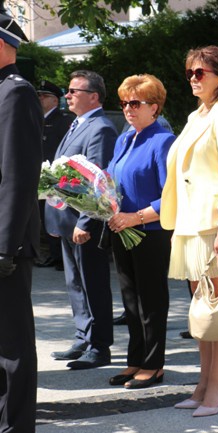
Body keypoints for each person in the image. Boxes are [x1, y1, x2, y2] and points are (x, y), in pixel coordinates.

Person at [160, 46, 218, 417]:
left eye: (201, 72)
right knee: (201, 310)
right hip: (189, 223)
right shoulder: (197, 115)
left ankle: (217, 385)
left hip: (212, 223)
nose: (194, 78)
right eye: (191, 72)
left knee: (217, 310)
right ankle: (206, 381)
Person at [105, 74, 175, 389]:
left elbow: (171, 193)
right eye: (124, 103)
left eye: (136, 103)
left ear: (155, 107)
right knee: (131, 301)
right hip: (122, 227)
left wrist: (136, 217)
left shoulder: (163, 141)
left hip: (150, 230)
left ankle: (154, 364)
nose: (128, 109)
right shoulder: (125, 138)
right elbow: (110, 178)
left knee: (152, 301)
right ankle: (135, 360)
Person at [45, 70, 117, 370]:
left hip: (83, 223)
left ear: (94, 96)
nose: (68, 95)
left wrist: (85, 223)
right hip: (66, 219)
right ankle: (83, 335)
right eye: (68, 90)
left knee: (93, 282)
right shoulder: (78, 124)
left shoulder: (100, 128)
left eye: (75, 90)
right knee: (75, 282)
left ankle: (99, 345)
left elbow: (98, 181)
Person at [0, 15, 42, 433]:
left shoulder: (16, 93)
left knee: (11, 348)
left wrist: (5, 245)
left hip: (5, 244)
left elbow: (18, 175)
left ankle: (16, 427)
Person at [35, 80, 72, 270]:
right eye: (39, 95)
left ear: (55, 100)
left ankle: (60, 256)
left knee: (57, 213)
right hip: (40, 175)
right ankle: (53, 253)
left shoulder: (63, 120)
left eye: (44, 96)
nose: (39, 98)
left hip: (55, 177)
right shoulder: (38, 118)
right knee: (45, 215)